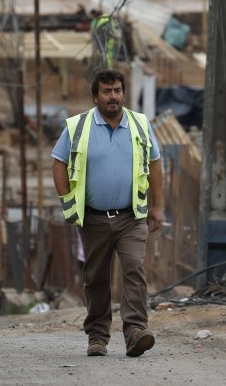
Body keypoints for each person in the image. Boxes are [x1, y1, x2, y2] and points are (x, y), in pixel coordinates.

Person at [51, 69, 163, 358]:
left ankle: (136, 331)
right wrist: (67, 201)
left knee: (134, 268)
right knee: (96, 277)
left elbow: (155, 164)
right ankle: (97, 336)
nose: (112, 96)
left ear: (123, 93)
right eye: (106, 91)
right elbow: (58, 162)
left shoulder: (140, 124)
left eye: (117, 90)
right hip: (93, 219)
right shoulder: (77, 126)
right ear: (95, 96)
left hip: (132, 217)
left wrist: (158, 206)